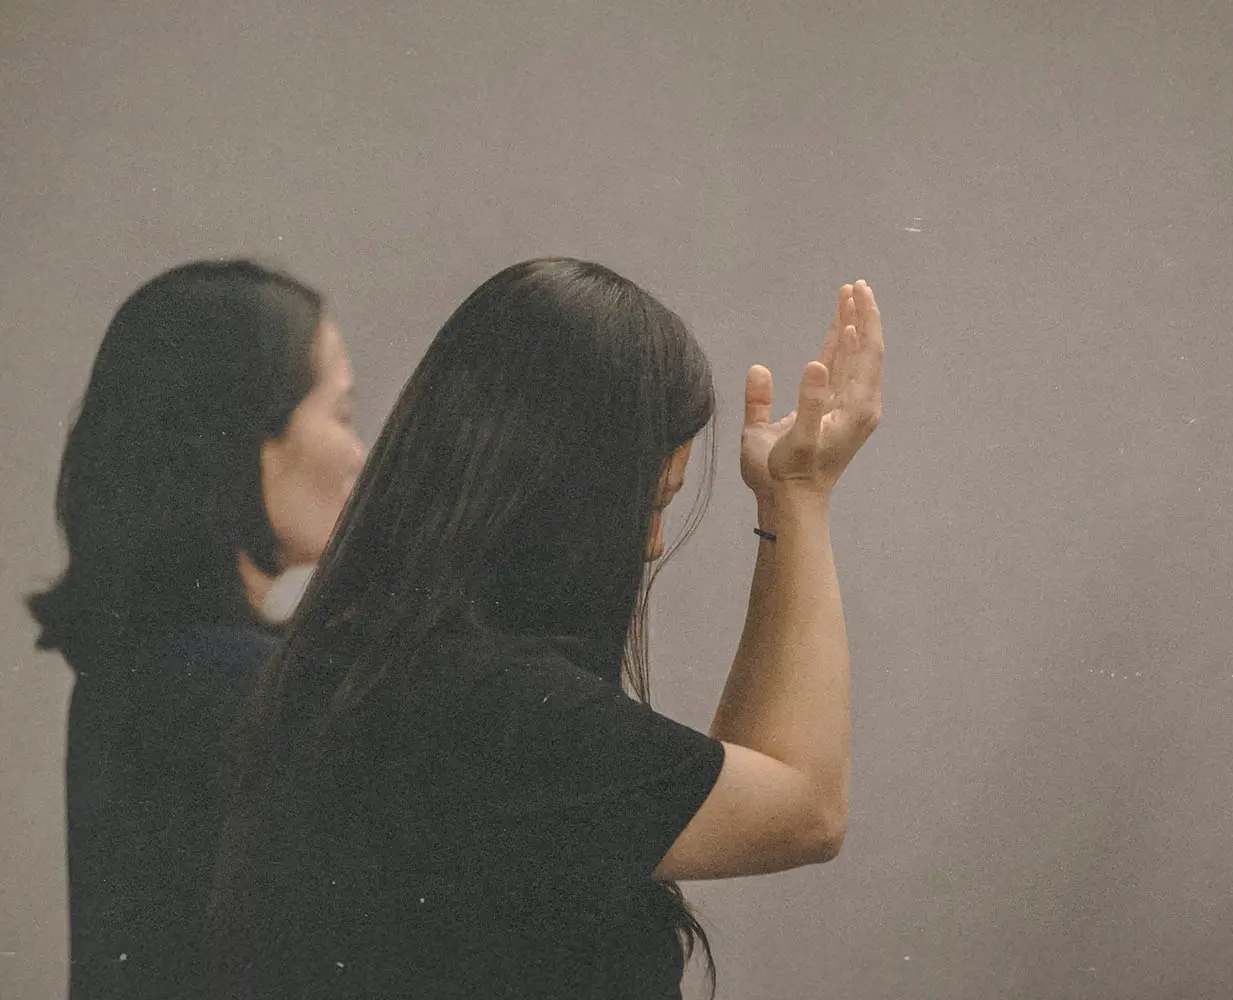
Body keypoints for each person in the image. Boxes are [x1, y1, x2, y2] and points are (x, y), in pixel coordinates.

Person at [209, 258, 884, 999]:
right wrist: (800, 495)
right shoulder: (497, 710)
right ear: (568, 493)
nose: (652, 543)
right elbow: (806, 810)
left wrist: (788, 500)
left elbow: (748, 775)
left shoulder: (371, 660)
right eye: (648, 503)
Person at [28, 260, 367, 999]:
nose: (358, 455)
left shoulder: (160, 668)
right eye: (341, 415)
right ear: (249, 440)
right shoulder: (227, 683)